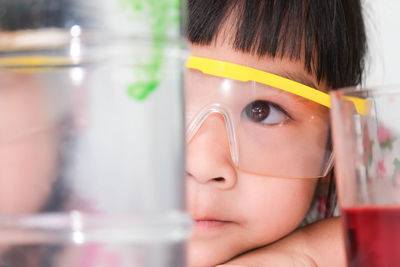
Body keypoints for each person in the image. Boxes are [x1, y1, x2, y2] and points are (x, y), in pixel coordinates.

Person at [184, 0, 367, 266]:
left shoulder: (363, 163)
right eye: (165, 100)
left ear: (336, 144)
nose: (203, 165)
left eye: (262, 110)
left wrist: (306, 256)